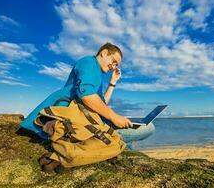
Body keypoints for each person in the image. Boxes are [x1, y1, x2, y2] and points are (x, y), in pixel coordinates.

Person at [20, 42, 155, 145]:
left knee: (137, 127)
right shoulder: (89, 63)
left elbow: (101, 103)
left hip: (85, 118)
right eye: (113, 61)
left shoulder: (97, 74)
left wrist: (112, 82)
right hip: (71, 120)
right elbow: (87, 97)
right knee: (148, 128)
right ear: (104, 53)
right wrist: (114, 117)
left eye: (116, 65)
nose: (113, 67)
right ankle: (109, 146)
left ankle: (115, 148)